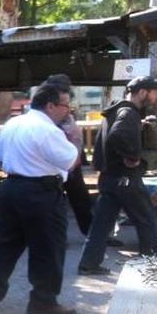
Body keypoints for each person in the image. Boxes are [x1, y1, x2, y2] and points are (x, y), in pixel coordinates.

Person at [0, 85, 79, 314]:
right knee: (48, 248)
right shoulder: (47, 130)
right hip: (40, 191)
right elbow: (72, 162)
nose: (69, 111)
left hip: (13, 188)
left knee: (6, 246)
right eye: (66, 105)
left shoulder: (14, 123)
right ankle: (43, 301)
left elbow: (1, 158)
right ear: (51, 106)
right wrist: (74, 136)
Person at [77, 76, 157, 274]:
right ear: (143, 92)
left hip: (110, 179)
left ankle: (88, 264)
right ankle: (154, 270)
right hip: (125, 179)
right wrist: (132, 156)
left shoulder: (116, 110)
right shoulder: (128, 112)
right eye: (155, 92)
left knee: (101, 225)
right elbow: (117, 134)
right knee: (148, 221)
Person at [40, 74, 94, 234]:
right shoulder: (49, 98)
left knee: (80, 197)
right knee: (57, 200)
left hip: (68, 155)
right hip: (54, 157)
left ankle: (90, 234)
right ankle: (58, 236)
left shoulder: (62, 98)